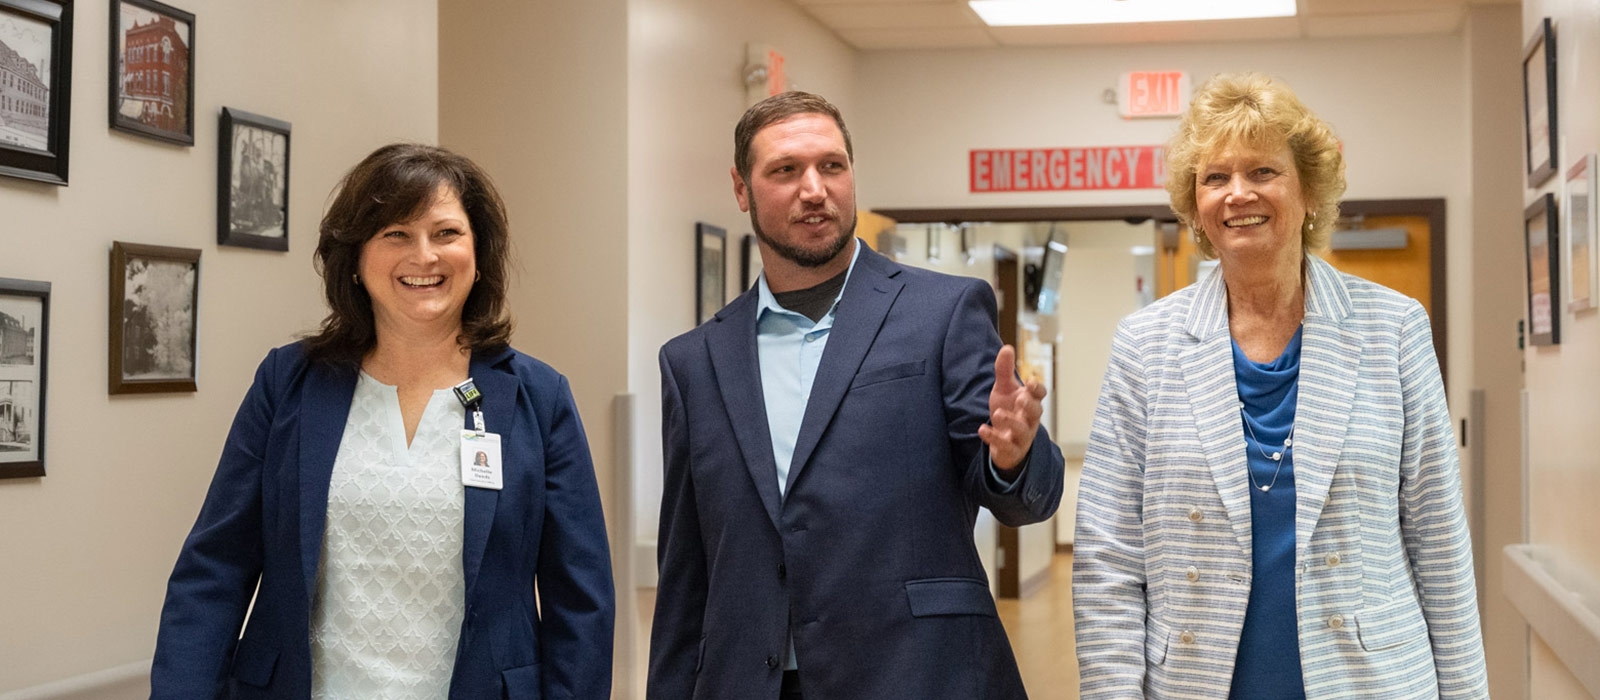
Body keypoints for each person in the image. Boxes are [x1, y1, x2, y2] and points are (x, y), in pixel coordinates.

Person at [1073, 73, 1488, 700]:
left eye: (1263, 171)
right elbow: (1108, 557)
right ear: (1196, 205)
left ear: (1310, 191)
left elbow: (1439, 542)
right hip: (1195, 682)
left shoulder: (1394, 328)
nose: (1238, 193)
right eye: (1215, 177)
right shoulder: (1145, 345)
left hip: (1369, 682)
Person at [150, 144, 614, 699]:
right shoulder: (288, 383)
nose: (424, 255)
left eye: (446, 233)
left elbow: (580, 602)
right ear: (355, 258)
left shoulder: (539, 399)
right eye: (395, 233)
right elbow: (214, 571)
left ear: (478, 253)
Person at [649, 91, 1065, 700]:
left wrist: (1013, 457)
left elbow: (1028, 498)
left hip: (917, 675)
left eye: (832, 166)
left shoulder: (942, 312)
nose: (814, 189)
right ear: (741, 189)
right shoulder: (693, 364)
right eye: (786, 170)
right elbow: (686, 575)